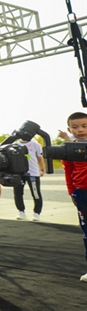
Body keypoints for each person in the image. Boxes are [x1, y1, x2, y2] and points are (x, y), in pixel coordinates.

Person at [59, 112, 87, 282]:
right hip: (81, 194)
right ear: (70, 129)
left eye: (84, 126)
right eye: (75, 127)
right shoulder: (68, 150)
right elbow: (68, 172)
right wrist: (71, 192)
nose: (81, 130)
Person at [14, 137, 45, 221]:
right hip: (19, 173)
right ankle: (21, 211)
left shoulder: (36, 145)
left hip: (33, 173)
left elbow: (40, 158)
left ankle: (37, 212)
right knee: (18, 192)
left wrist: (42, 169)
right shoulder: (15, 145)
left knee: (35, 193)